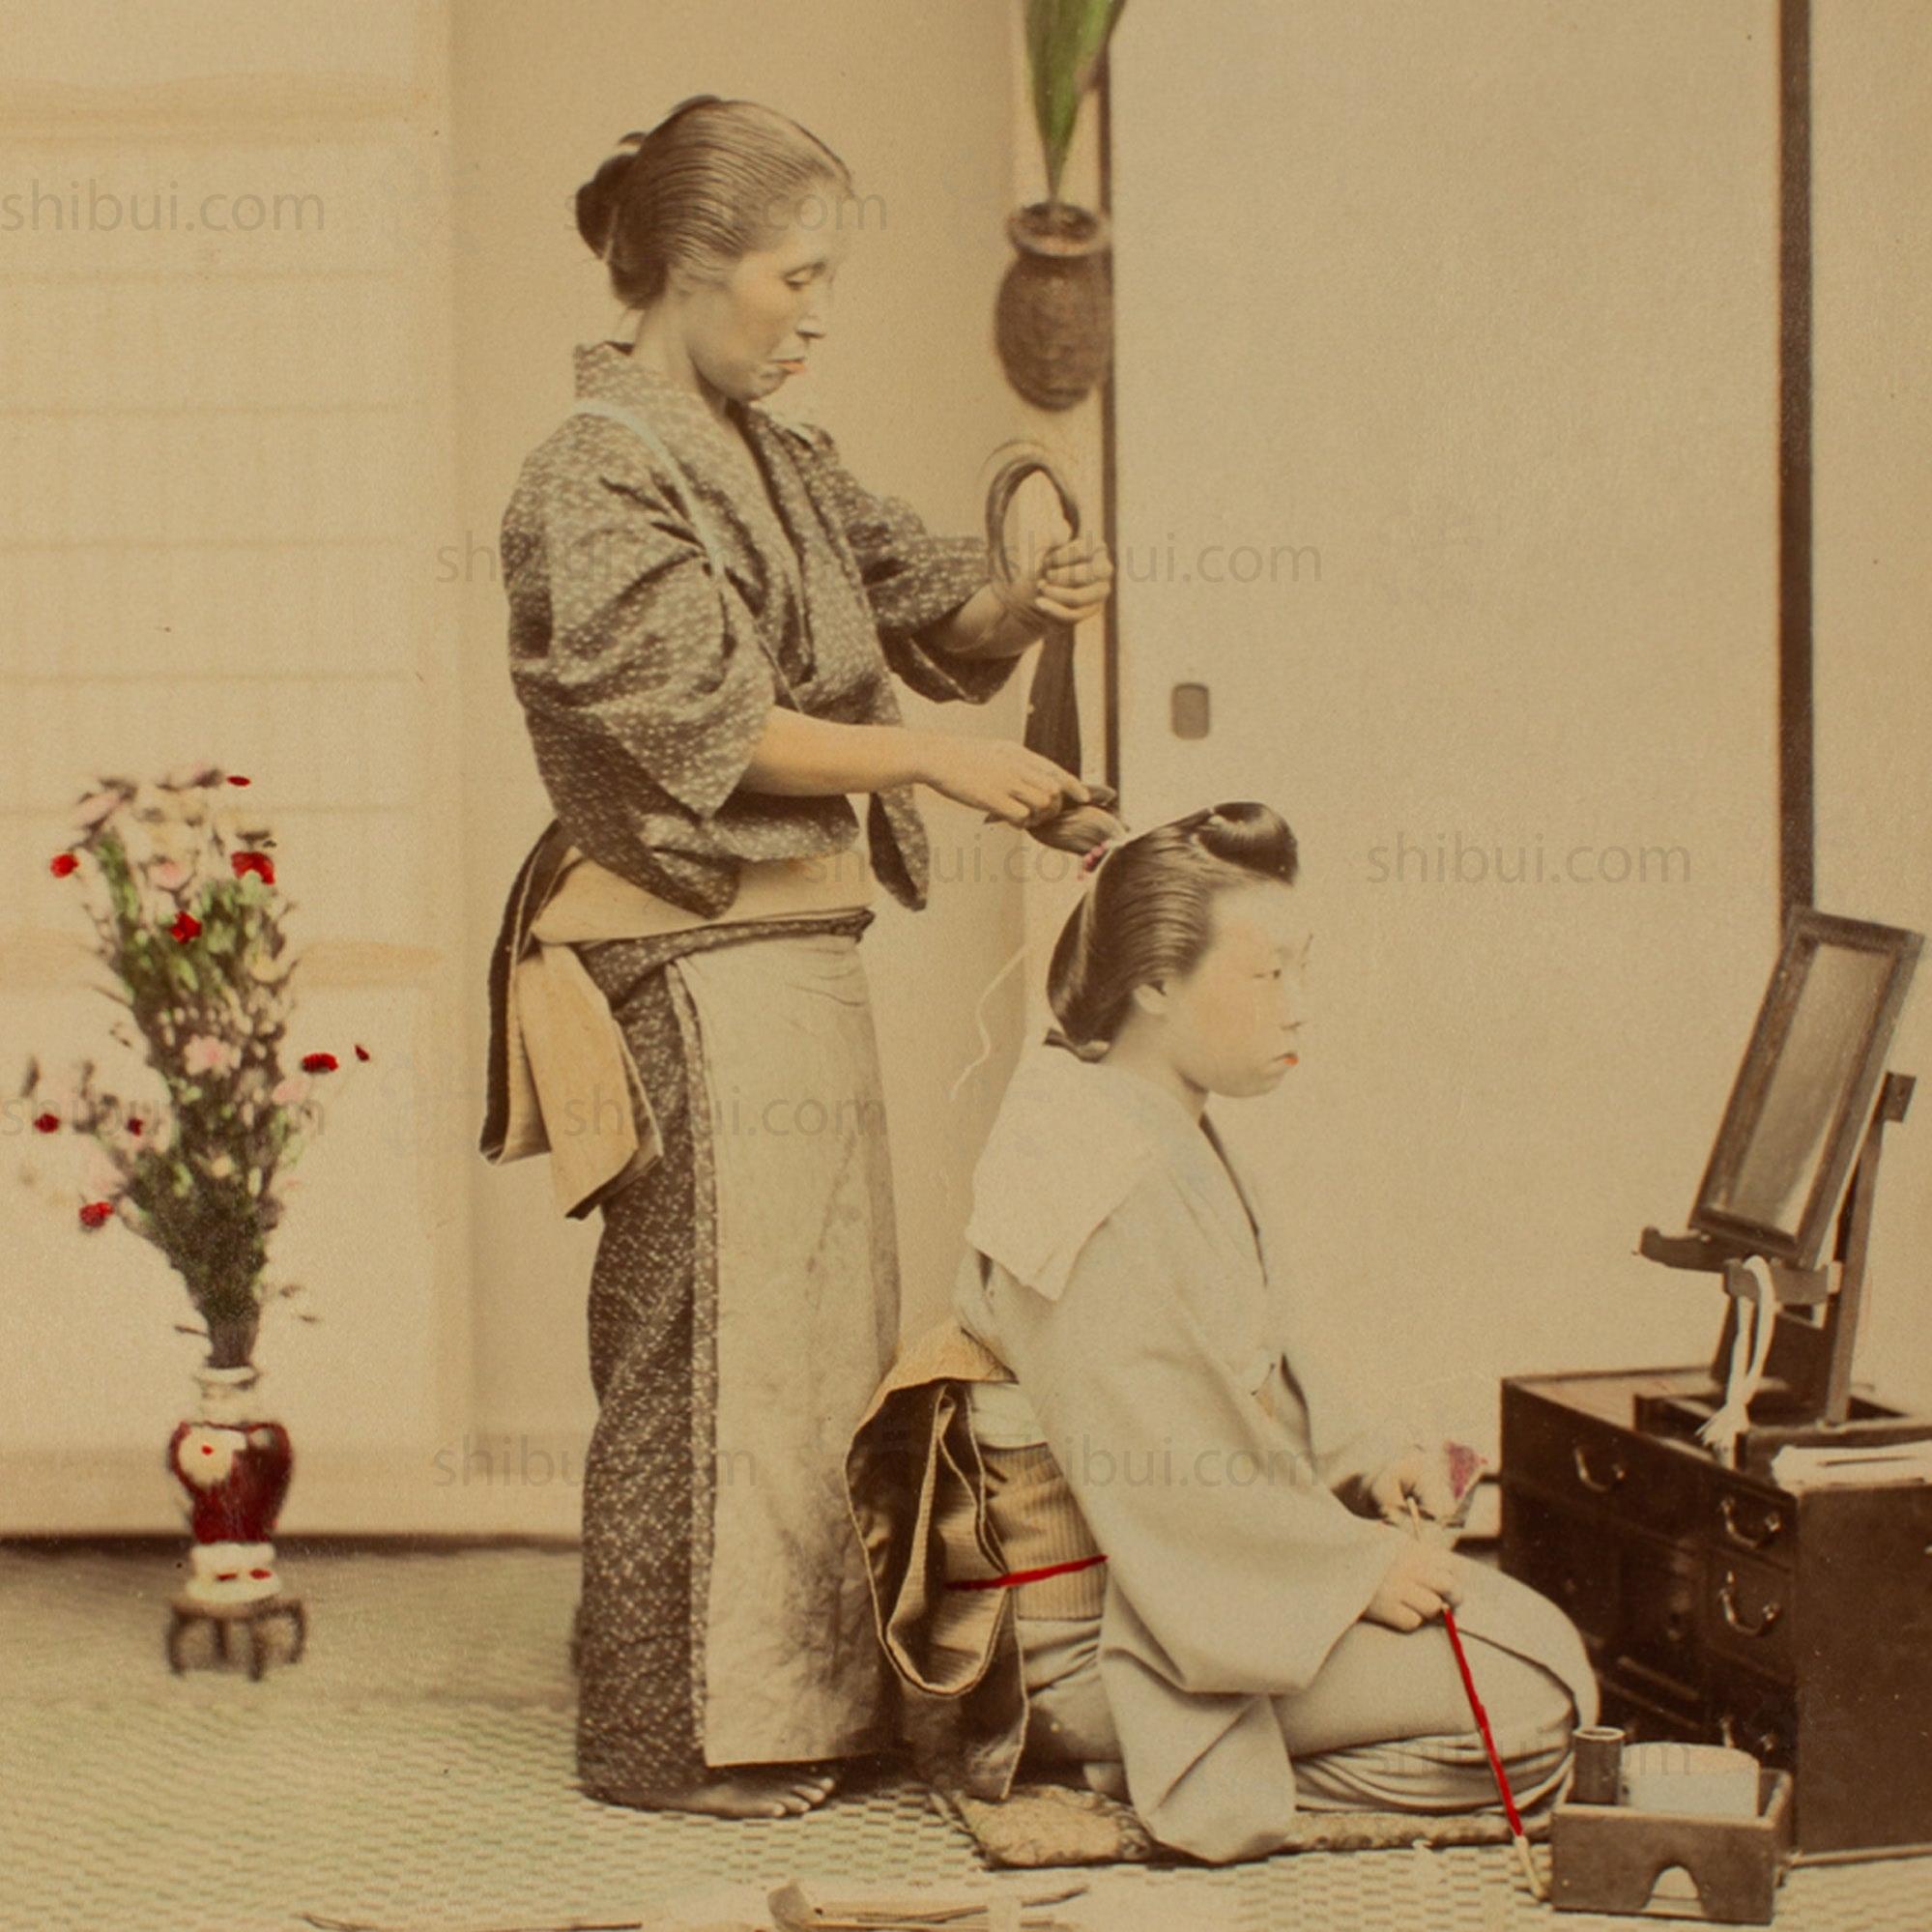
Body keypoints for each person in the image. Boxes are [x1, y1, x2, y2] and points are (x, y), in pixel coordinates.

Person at [480, 96, 1112, 1822]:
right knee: (708, 1352)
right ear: (691, 271)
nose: (815, 313)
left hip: (791, 951)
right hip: (679, 958)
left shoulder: (786, 457)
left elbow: (939, 615)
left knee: (818, 1356)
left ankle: (800, 1706)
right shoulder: (597, 468)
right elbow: (698, 716)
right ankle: (674, 1733)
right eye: (795, 275)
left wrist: (1026, 598)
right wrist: (926, 759)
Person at [846, 804, 1598, 1863]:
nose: (1300, 1010)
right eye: (1267, 976)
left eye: (1303, 971)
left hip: (1187, 1582)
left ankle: (1194, 1756)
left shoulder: (1138, 1114)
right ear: (1154, 982)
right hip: (1097, 1638)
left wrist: (1365, 1467)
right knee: (1529, 1710)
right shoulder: (1090, 1176)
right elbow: (1154, 1458)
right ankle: (1116, 1764)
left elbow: (1242, 1365)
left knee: (1541, 1643)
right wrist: (1345, 1572)